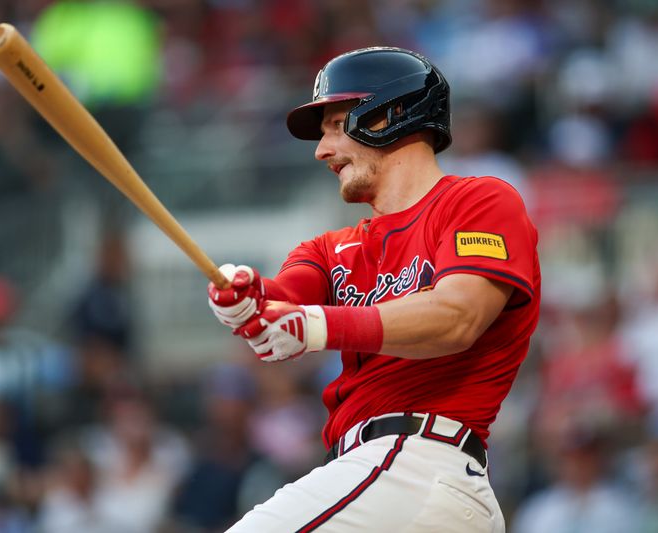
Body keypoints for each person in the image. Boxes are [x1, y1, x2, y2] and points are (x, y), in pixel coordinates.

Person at [206, 47, 541, 532]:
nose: (321, 150)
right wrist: (244, 300)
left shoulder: (479, 200)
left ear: (390, 115)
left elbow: (458, 318)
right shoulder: (328, 248)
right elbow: (281, 301)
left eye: (336, 125)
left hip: (418, 463)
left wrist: (314, 325)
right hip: (384, 482)